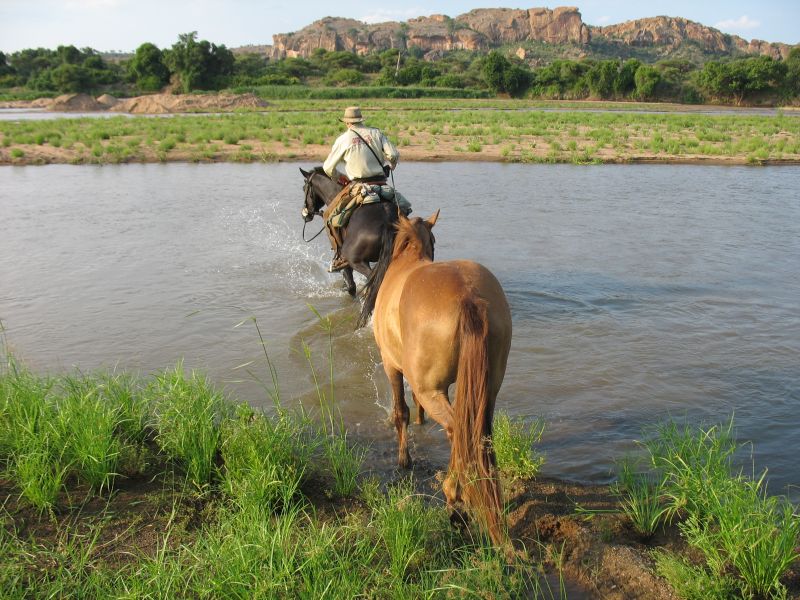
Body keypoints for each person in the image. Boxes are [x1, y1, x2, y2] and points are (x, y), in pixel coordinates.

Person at [322, 106, 400, 272]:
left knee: (329, 216)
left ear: (347, 123)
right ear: (361, 120)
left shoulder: (343, 139)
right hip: (381, 185)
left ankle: (340, 255)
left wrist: (339, 177)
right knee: (404, 209)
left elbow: (328, 168)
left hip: (358, 186)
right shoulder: (376, 133)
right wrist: (391, 165)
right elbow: (393, 154)